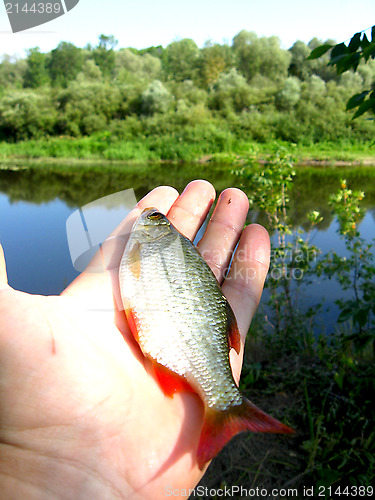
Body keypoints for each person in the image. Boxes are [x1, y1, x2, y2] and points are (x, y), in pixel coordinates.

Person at [0, 180, 270, 499]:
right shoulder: (151, 245)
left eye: (158, 219)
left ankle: (225, 405)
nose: (151, 217)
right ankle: (224, 405)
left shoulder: (147, 245)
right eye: (157, 219)